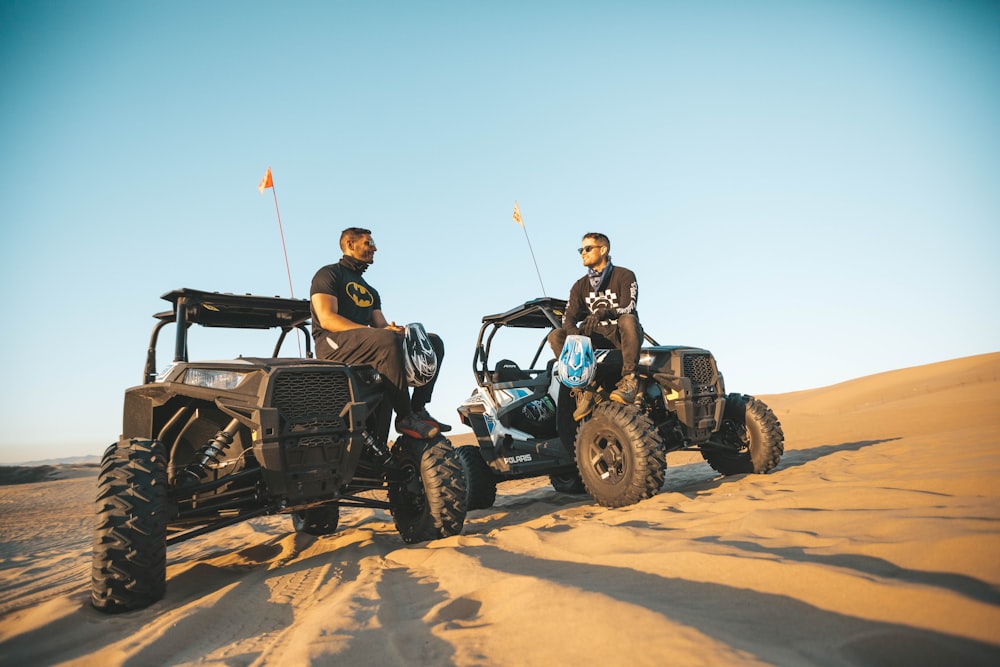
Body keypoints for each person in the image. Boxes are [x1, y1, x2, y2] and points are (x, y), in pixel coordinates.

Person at [310, 227, 450, 439]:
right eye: (368, 243)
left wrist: (395, 331)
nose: (374, 248)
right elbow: (327, 318)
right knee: (387, 339)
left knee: (432, 342)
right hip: (331, 344)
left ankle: (418, 408)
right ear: (350, 244)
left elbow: (380, 326)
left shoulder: (370, 290)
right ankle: (405, 417)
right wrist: (383, 334)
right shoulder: (329, 274)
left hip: (366, 343)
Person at [548, 232, 643, 420]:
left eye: (588, 248)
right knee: (556, 335)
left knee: (628, 320)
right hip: (595, 340)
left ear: (604, 250)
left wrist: (604, 312)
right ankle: (585, 389)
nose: (583, 253)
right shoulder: (579, 286)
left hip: (620, 335)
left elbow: (629, 306)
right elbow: (568, 317)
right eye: (581, 250)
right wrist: (574, 335)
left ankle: (630, 381)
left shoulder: (624, 275)